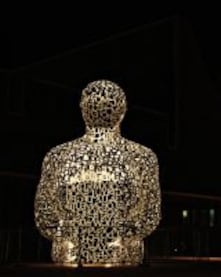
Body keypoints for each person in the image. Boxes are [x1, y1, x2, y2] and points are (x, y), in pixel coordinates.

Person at [34, 80, 161, 266]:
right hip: (78, 257)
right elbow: (44, 214)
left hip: (117, 256)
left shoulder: (58, 156)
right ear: (123, 111)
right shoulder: (142, 156)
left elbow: (150, 215)